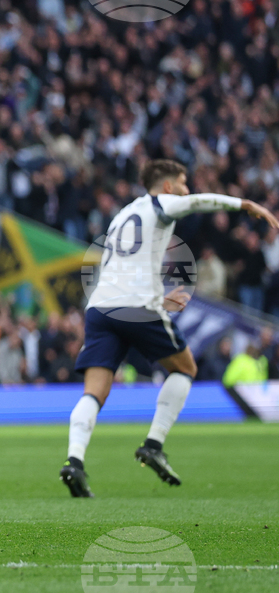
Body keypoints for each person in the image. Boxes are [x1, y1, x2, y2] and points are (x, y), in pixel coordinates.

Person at [61, 159, 279, 497]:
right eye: (182, 182)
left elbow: (113, 270)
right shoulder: (160, 203)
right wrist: (244, 204)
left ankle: (74, 461)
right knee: (185, 367)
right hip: (135, 306)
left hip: (101, 308)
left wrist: (155, 299)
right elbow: (194, 203)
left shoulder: (121, 217)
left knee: (95, 391)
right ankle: (153, 443)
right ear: (166, 187)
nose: (186, 189)